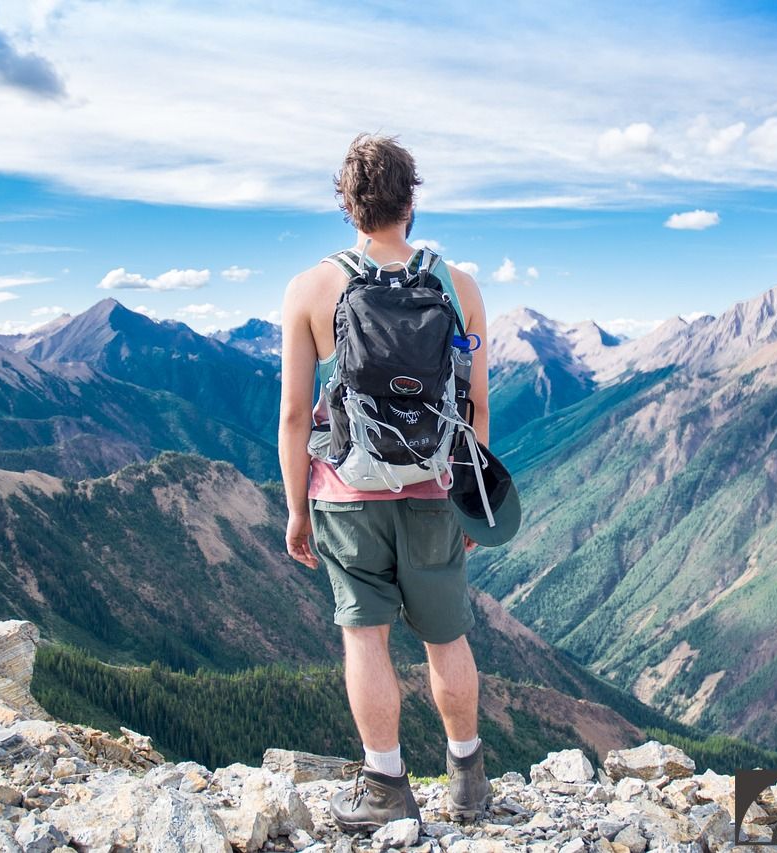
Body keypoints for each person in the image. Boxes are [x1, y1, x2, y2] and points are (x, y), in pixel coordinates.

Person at [278, 133, 492, 831]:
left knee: (365, 640)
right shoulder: (457, 287)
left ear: (347, 204)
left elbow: (290, 414)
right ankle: (468, 783)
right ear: (410, 197)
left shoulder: (310, 288)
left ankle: (385, 786)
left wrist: (296, 511)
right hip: (434, 488)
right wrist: (473, 500)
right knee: (446, 636)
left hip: (344, 492)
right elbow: (475, 406)